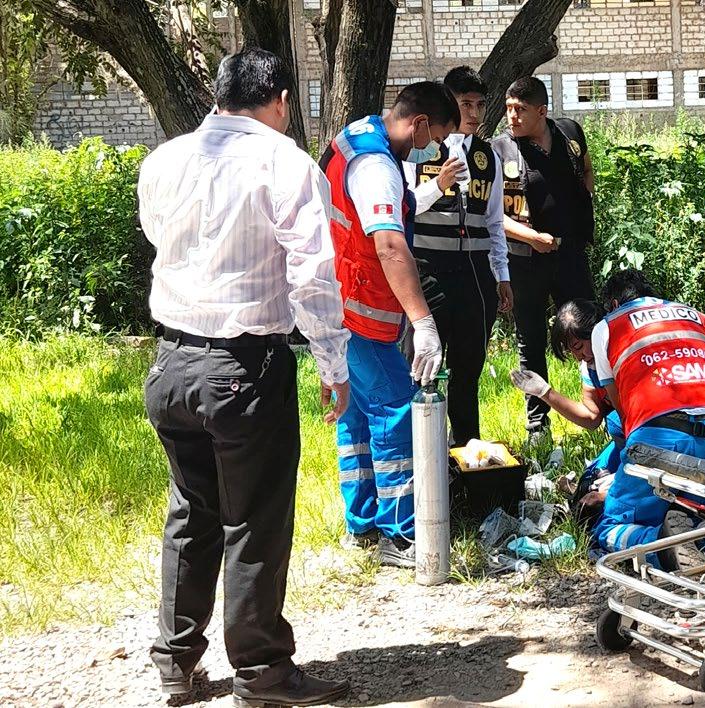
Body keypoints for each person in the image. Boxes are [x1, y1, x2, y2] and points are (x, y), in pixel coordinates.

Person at [138, 47, 350, 706]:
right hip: (243, 366)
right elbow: (312, 274)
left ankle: (175, 662)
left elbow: (159, 238)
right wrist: (332, 362)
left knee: (190, 512)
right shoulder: (285, 163)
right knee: (254, 519)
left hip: (170, 363)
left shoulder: (165, 159)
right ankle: (262, 672)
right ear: (281, 99)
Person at [319, 81, 458, 568]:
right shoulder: (377, 165)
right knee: (397, 409)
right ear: (418, 123)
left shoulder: (361, 137)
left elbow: (393, 208)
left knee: (356, 416)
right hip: (360, 310)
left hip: (341, 304)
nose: (434, 149)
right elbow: (389, 245)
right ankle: (399, 535)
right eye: (435, 137)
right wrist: (423, 322)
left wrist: (432, 190)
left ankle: (361, 523)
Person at [585, 270, 705, 561]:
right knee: (700, 512)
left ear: (614, 304)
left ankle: (663, 543)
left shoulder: (607, 326)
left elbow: (623, 411)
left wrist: (618, 479)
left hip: (658, 436)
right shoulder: (698, 316)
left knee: (609, 528)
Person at [405, 66, 514, 444]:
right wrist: (439, 184)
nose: (474, 113)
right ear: (447, 103)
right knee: (424, 366)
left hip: (475, 276)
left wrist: (502, 275)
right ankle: (423, 449)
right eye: (466, 104)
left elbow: (494, 221)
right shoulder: (418, 150)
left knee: (468, 368)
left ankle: (466, 449)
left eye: (480, 105)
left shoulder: (487, 155)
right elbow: (405, 207)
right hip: (428, 272)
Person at [492, 77, 597, 443]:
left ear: (541, 111)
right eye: (508, 109)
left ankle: (604, 408)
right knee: (531, 340)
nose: (512, 117)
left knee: (590, 331)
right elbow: (492, 214)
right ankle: (538, 424)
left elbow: (586, 167)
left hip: (570, 254)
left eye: (520, 110)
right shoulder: (499, 149)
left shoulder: (569, 133)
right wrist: (530, 238)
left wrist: (586, 196)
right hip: (526, 260)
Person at [508, 299, 623, 529]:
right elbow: (592, 417)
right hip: (622, 440)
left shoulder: (621, 354)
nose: (580, 356)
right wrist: (545, 393)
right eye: (573, 351)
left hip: (644, 436)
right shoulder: (589, 366)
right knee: (589, 482)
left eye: (579, 346)